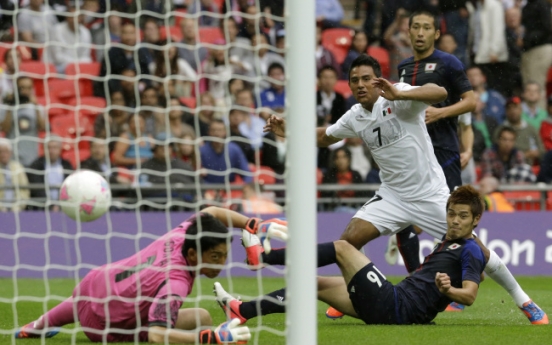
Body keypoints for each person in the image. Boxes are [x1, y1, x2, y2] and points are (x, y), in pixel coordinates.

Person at [263, 54, 547, 324]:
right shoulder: (354, 116)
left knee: (479, 252)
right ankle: (351, 294)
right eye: (354, 80)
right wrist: (289, 131)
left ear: (378, 80)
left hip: (429, 194)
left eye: (366, 78)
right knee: (347, 242)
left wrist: (401, 94)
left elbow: (438, 93)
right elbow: (325, 137)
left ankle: (524, 301)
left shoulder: (397, 95)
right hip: (392, 196)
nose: (360, 84)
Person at [215, 186, 517, 326]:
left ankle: (264, 258)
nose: (454, 220)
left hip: (398, 306)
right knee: (315, 284)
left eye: (462, 216)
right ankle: (243, 310)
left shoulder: (472, 250)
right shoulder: (448, 242)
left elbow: (470, 295)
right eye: (451, 214)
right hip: (397, 306)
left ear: (475, 220)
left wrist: (450, 291)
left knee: (343, 247)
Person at [14, 207, 253, 344]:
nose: (221, 264)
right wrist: (207, 338)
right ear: (192, 254)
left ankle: (35, 326)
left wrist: (252, 224)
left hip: (93, 282)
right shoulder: (176, 283)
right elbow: (157, 334)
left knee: (79, 304)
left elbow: (210, 211)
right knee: (201, 319)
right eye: (215, 257)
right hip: (101, 327)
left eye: (224, 256)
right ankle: (40, 325)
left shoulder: (181, 234)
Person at [394, 10, 477, 283]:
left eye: (426, 28)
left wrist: (441, 113)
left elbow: (470, 101)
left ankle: (471, 275)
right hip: (413, 154)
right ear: (408, 32)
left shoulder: (448, 62)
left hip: (443, 150)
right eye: (415, 27)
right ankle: (418, 281)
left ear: (436, 33)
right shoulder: (404, 68)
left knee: (453, 220)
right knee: (404, 222)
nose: (420, 33)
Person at [495, 96, 544, 165]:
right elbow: (496, 152)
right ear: (506, 111)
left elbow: (542, 150)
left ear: (521, 109)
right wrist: (524, 155)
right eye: (509, 108)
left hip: (530, 167)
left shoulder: (530, 128)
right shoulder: (501, 130)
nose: (512, 111)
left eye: (515, 107)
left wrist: (537, 153)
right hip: (508, 166)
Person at [26, 136, 73, 209]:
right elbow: (37, 190)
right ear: (44, 149)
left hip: (64, 207)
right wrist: (50, 206)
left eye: (55, 148)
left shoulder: (67, 166)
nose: (51, 151)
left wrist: (59, 204)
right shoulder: (35, 166)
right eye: (48, 147)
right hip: (41, 208)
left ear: (60, 149)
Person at [200, 120, 252, 184]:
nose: (216, 133)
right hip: (207, 189)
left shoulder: (234, 149)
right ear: (209, 132)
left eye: (219, 130)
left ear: (225, 132)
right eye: (213, 130)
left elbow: (247, 174)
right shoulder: (201, 151)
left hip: (229, 189)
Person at [47, 2, 92, 73]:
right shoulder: (57, 30)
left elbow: (86, 56)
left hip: (77, 68)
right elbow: (57, 58)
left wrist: (77, 64)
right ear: (67, 17)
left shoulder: (85, 32)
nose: (74, 19)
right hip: (55, 67)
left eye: (77, 16)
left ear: (81, 18)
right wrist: (76, 63)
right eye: (72, 16)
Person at [0, 138, 30, 212]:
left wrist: (18, 206)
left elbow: (25, 190)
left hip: (17, 209)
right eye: (1, 152)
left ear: (11, 153)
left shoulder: (18, 167)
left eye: (5, 152)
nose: (3, 155)